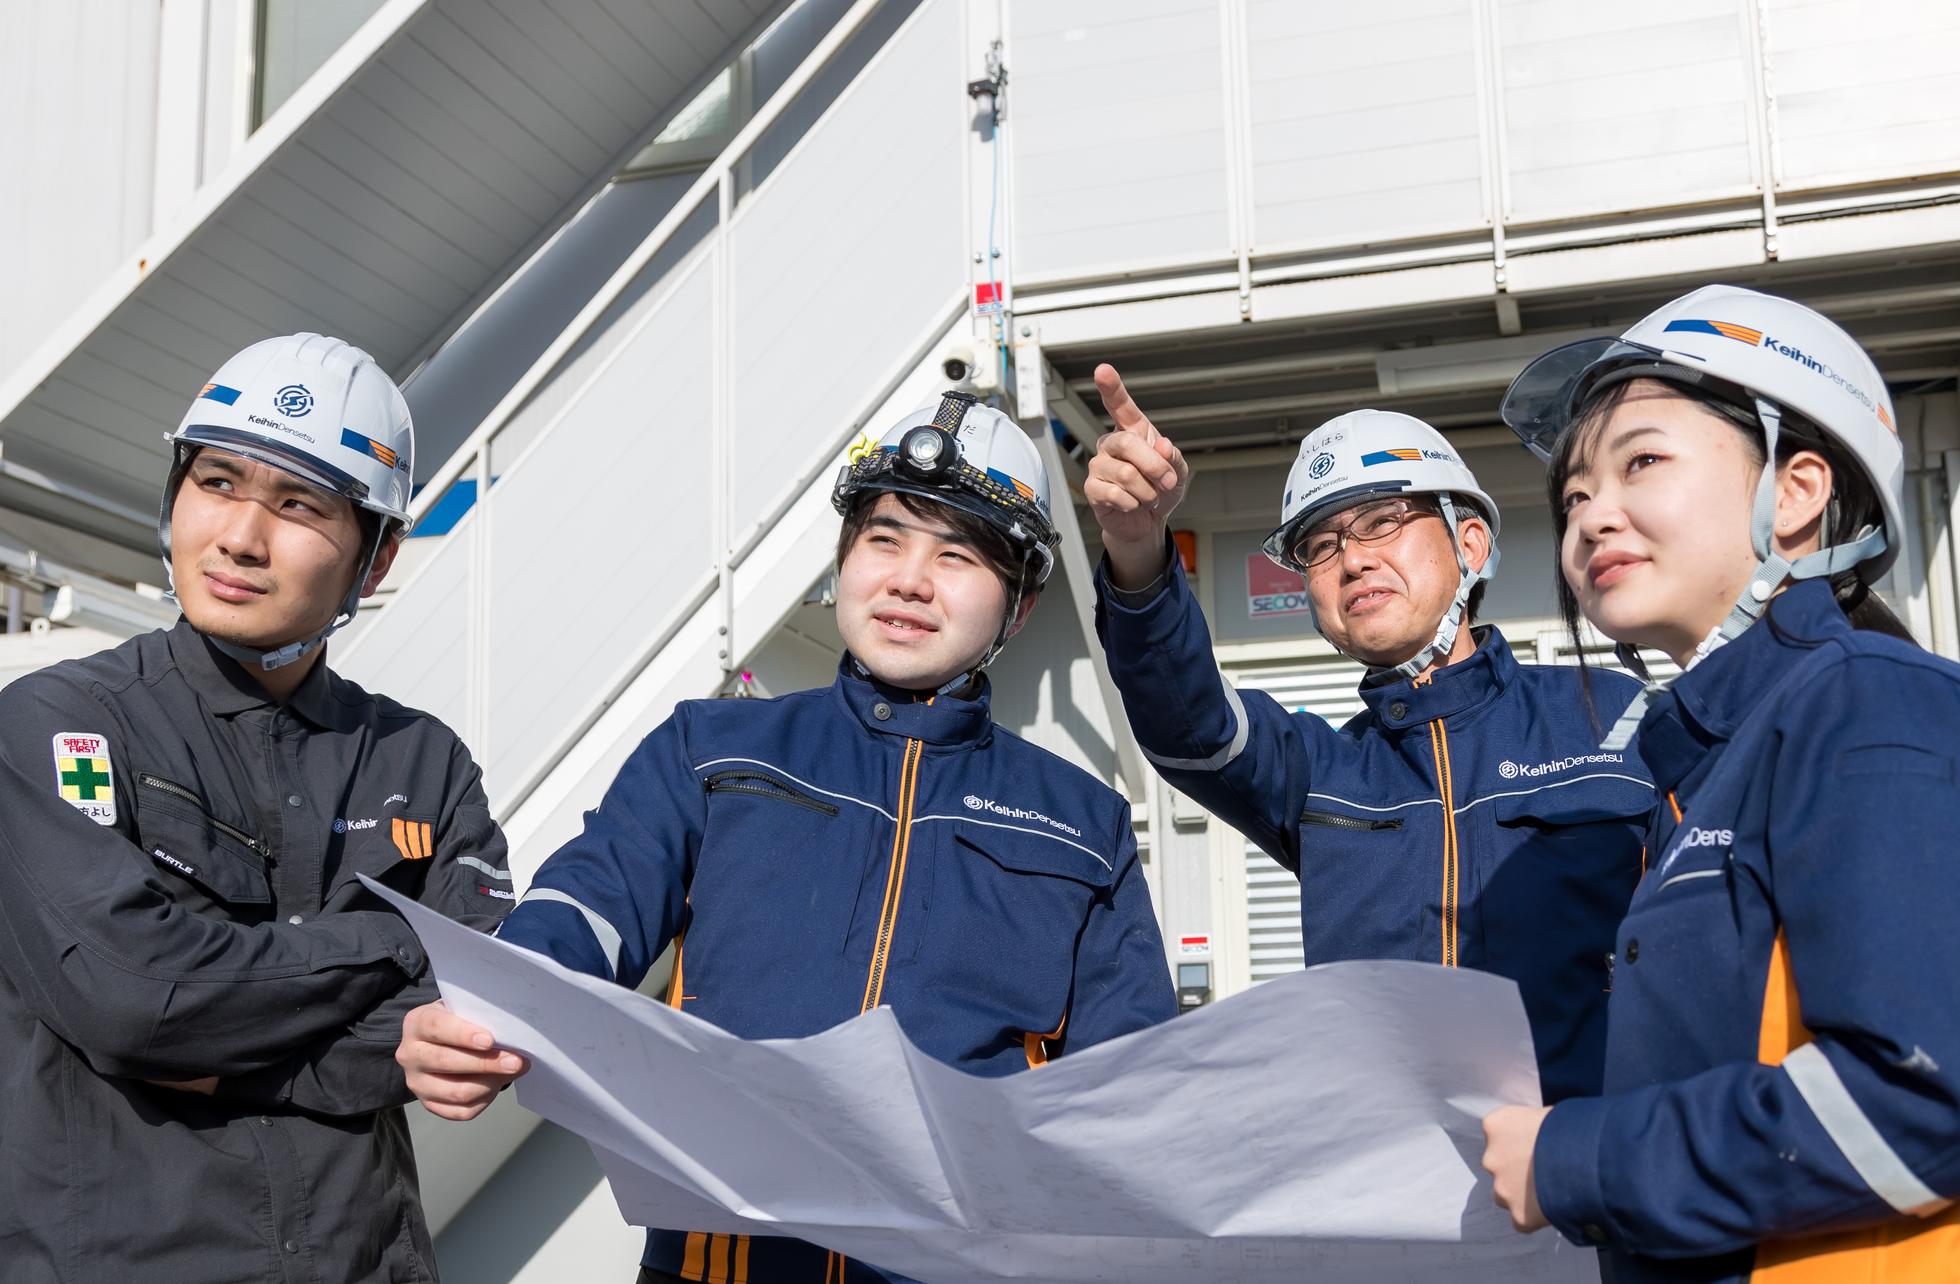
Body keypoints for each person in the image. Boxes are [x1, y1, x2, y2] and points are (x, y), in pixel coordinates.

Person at [397, 391, 1176, 1283]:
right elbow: (589, 905)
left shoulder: (1081, 820)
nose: (909, 580)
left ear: (1022, 604)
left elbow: (1129, 1078)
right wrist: (485, 1013)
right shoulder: (713, 750)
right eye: (884, 540)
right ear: (845, 559)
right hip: (718, 1265)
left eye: (957, 555)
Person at [0, 333, 511, 1283]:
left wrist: (217, 1047)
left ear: (377, 557)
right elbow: (132, 996)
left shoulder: (423, 762)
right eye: (218, 482)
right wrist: (396, 944)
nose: (239, 536)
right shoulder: (60, 727)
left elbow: (481, 997)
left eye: (299, 505)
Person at [1482, 284, 1960, 1281]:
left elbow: (1926, 1097)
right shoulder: (1703, 765)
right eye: (1573, 497)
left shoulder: (1866, 705)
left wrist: (1579, 1159)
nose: (1591, 518)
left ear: (1796, 490)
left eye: (1641, 462)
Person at [1086, 371, 1652, 1102]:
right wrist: (1137, 546)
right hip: (1391, 1162)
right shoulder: (1318, 771)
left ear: (1470, 543)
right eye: (1320, 546)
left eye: (1383, 521)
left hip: (1588, 1151)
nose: (1352, 560)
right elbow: (1184, 717)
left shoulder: (1616, 718)